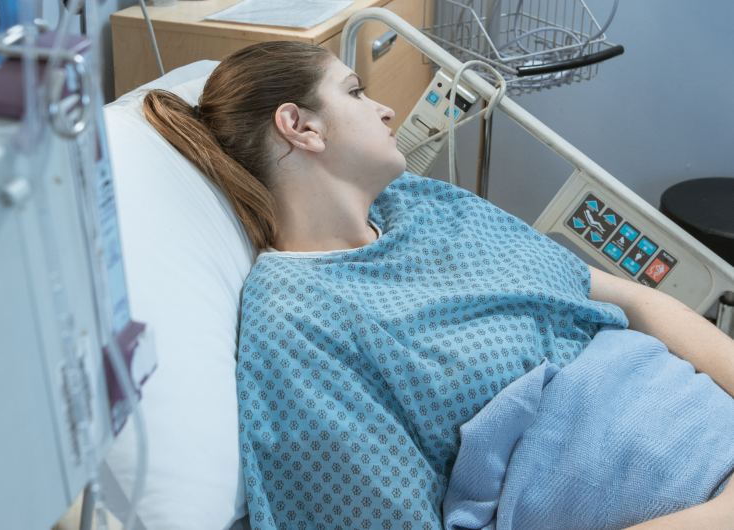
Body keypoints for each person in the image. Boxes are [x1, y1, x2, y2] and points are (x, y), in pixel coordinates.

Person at [142, 41, 734, 530]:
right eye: (355, 92)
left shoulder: (421, 202)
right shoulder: (299, 323)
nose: (386, 110)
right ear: (300, 126)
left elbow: (626, 296)